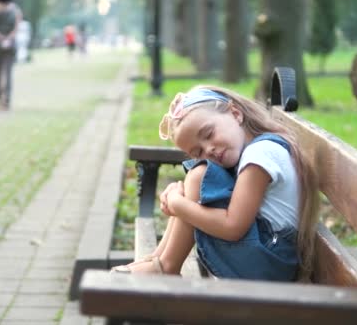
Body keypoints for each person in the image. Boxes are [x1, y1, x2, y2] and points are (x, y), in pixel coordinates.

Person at [112, 86, 320, 282]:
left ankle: (166, 266)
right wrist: (181, 196)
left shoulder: (261, 155)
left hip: (269, 264)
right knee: (197, 174)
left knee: (199, 175)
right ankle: (157, 260)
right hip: (269, 260)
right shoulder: (253, 151)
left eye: (208, 134)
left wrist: (178, 204)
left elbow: (233, 227)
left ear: (235, 113)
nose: (208, 150)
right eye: (197, 151)